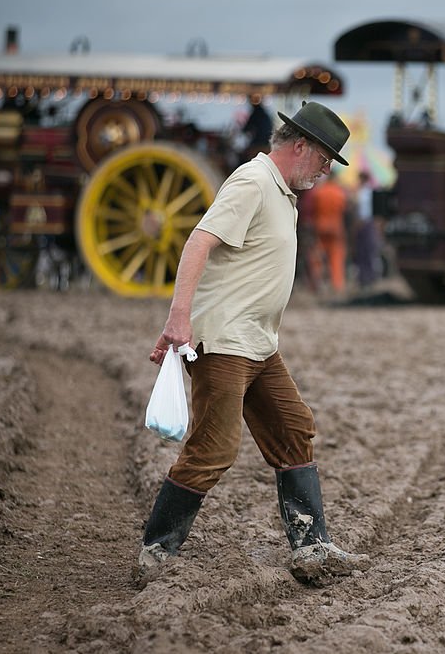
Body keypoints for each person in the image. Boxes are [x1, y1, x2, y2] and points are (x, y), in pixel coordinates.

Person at [138, 101, 368, 585]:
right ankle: (156, 552)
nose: (327, 169)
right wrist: (178, 318)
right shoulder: (252, 181)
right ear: (301, 145)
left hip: (259, 344)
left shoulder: (283, 192)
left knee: (293, 428)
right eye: (325, 157)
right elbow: (198, 242)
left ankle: (312, 548)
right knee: (214, 448)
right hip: (224, 341)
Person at [305, 169, 349, 295]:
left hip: (320, 228)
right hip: (336, 228)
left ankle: (317, 284)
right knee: (336, 257)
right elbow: (345, 212)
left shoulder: (319, 192)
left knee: (317, 256)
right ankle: (337, 286)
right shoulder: (340, 193)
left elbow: (312, 210)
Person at [351, 171, 380, 290]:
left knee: (367, 251)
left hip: (366, 223)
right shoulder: (362, 192)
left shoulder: (368, 192)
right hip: (362, 224)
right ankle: (364, 278)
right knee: (362, 252)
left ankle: (369, 278)